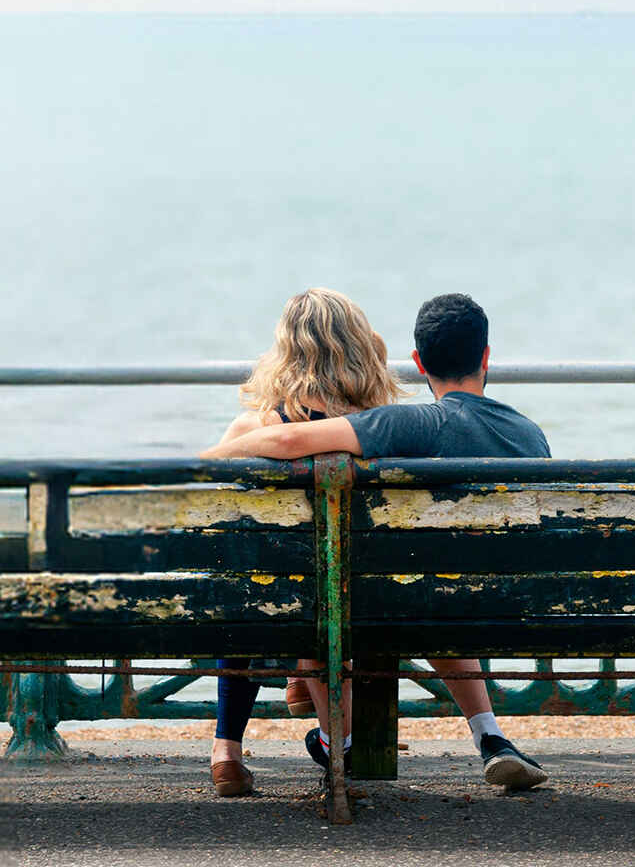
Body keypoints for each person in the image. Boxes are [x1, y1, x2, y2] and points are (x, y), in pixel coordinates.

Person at [201, 292, 551, 791]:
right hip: (495, 608)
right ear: (487, 356)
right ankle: (489, 735)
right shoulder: (520, 434)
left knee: (273, 587)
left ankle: (294, 741)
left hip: (322, 608)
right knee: (411, 589)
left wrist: (200, 462)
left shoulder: (395, 426)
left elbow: (281, 447)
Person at [195, 288, 402, 798]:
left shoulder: (254, 430)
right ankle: (320, 711)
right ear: (361, 348)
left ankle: (226, 750)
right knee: (318, 592)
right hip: (370, 605)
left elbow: (212, 520)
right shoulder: (383, 430)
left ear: (285, 350)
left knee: (246, 581)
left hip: (279, 604)